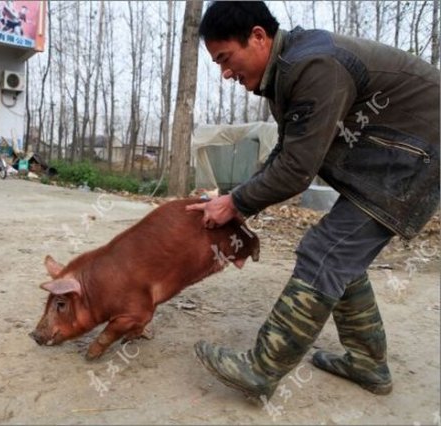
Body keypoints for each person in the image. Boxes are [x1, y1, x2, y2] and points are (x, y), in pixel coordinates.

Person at [188, 1, 439, 403]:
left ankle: (262, 368)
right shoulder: (286, 72)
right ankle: (367, 362)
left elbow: (297, 170)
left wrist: (235, 204)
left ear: (257, 36)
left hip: (415, 158)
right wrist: (237, 202)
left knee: (323, 252)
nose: (225, 74)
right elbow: (286, 154)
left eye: (225, 59)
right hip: (394, 157)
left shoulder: (313, 67)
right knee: (340, 257)